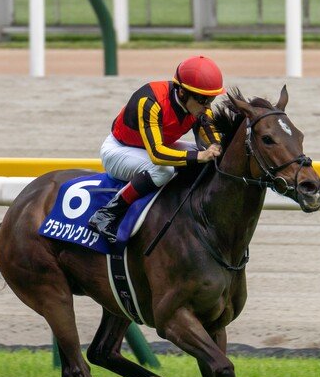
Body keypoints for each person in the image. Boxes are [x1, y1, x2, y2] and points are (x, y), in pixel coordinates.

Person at [86, 55, 225, 245]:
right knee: (164, 169)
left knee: (204, 157)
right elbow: (158, 154)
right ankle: (106, 214)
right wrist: (201, 155)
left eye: (211, 99)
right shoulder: (150, 101)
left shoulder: (198, 108)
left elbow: (213, 143)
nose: (208, 106)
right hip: (119, 151)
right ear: (183, 93)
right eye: (203, 100)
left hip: (150, 148)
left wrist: (215, 149)